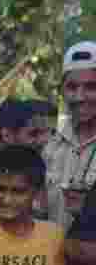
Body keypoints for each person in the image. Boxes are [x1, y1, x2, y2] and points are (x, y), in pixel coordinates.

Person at [45, 41, 96, 230]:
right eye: (72, 87)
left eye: (91, 87)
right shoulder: (48, 143)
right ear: (62, 91)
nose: (80, 97)